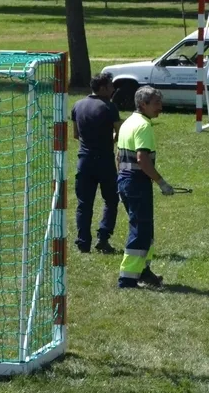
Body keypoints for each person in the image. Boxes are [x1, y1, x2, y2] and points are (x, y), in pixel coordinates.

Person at [115, 86, 175, 289]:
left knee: (145, 230)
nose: (160, 107)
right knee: (140, 231)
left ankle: (143, 271)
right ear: (143, 104)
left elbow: (118, 155)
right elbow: (142, 159)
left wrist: (121, 180)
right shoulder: (143, 126)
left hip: (125, 180)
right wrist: (161, 182)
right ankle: (127, 279)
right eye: (156, 103)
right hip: (137, 182)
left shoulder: (128, 122)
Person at [71, 72, 122, 254]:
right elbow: (119, 133)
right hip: (105, 161)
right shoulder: (109, 107)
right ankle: (103, 237)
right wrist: (110, 139)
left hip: (84, 161)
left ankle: (83, 243)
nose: (113, 89)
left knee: (84, 204)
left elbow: (75, 134)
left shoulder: (77, 105)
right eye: (110, 86)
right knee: (111, 199)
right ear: (102, 88)